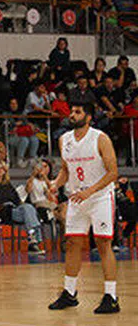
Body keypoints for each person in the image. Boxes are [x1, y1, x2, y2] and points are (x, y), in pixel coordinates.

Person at [47, 101, 120, 314]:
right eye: (71, 111)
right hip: (77, 198)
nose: (72, 114)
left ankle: (111, 296)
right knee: (72, 243)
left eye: (78, 112)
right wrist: (55, 184)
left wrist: (90, 191)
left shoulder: (100, 138)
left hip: (100, 198)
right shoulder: (64, 140)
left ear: (88, 117)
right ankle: (69, 293)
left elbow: (113, 172)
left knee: (103, 244)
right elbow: (65, 170)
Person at [0, 161, 44, 255]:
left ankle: (32, 240)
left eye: (2, 169)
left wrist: (24, 206)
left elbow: (17, 200)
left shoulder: (8, 185)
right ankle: (33, 239)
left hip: (12, 210)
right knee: (27, 210)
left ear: (5, 172)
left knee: (28, 207)